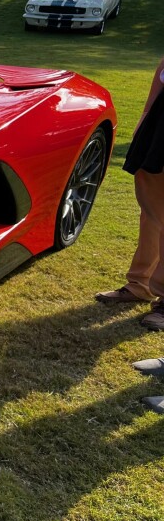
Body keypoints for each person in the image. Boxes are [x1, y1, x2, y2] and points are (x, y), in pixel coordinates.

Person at [95, 57, 164, 329]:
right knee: (151, 213)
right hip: (159, 132)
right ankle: (140, 284)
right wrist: (142, 130)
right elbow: (154, 96)